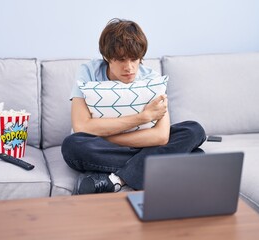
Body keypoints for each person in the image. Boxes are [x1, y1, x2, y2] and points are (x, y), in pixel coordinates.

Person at [62, 18, 206, 195]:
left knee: (194, 130)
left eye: (134, 59)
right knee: (72, 145)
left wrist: (106, 136)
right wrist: (142, 118)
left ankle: (117, 179)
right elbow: (82, 127)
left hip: (127, 144)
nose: (129, 67)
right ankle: (159, 163)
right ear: (107, 57)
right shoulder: (88, 71)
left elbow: (161, 137)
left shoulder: (151, 79)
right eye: (121, 59)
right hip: (119, 146)